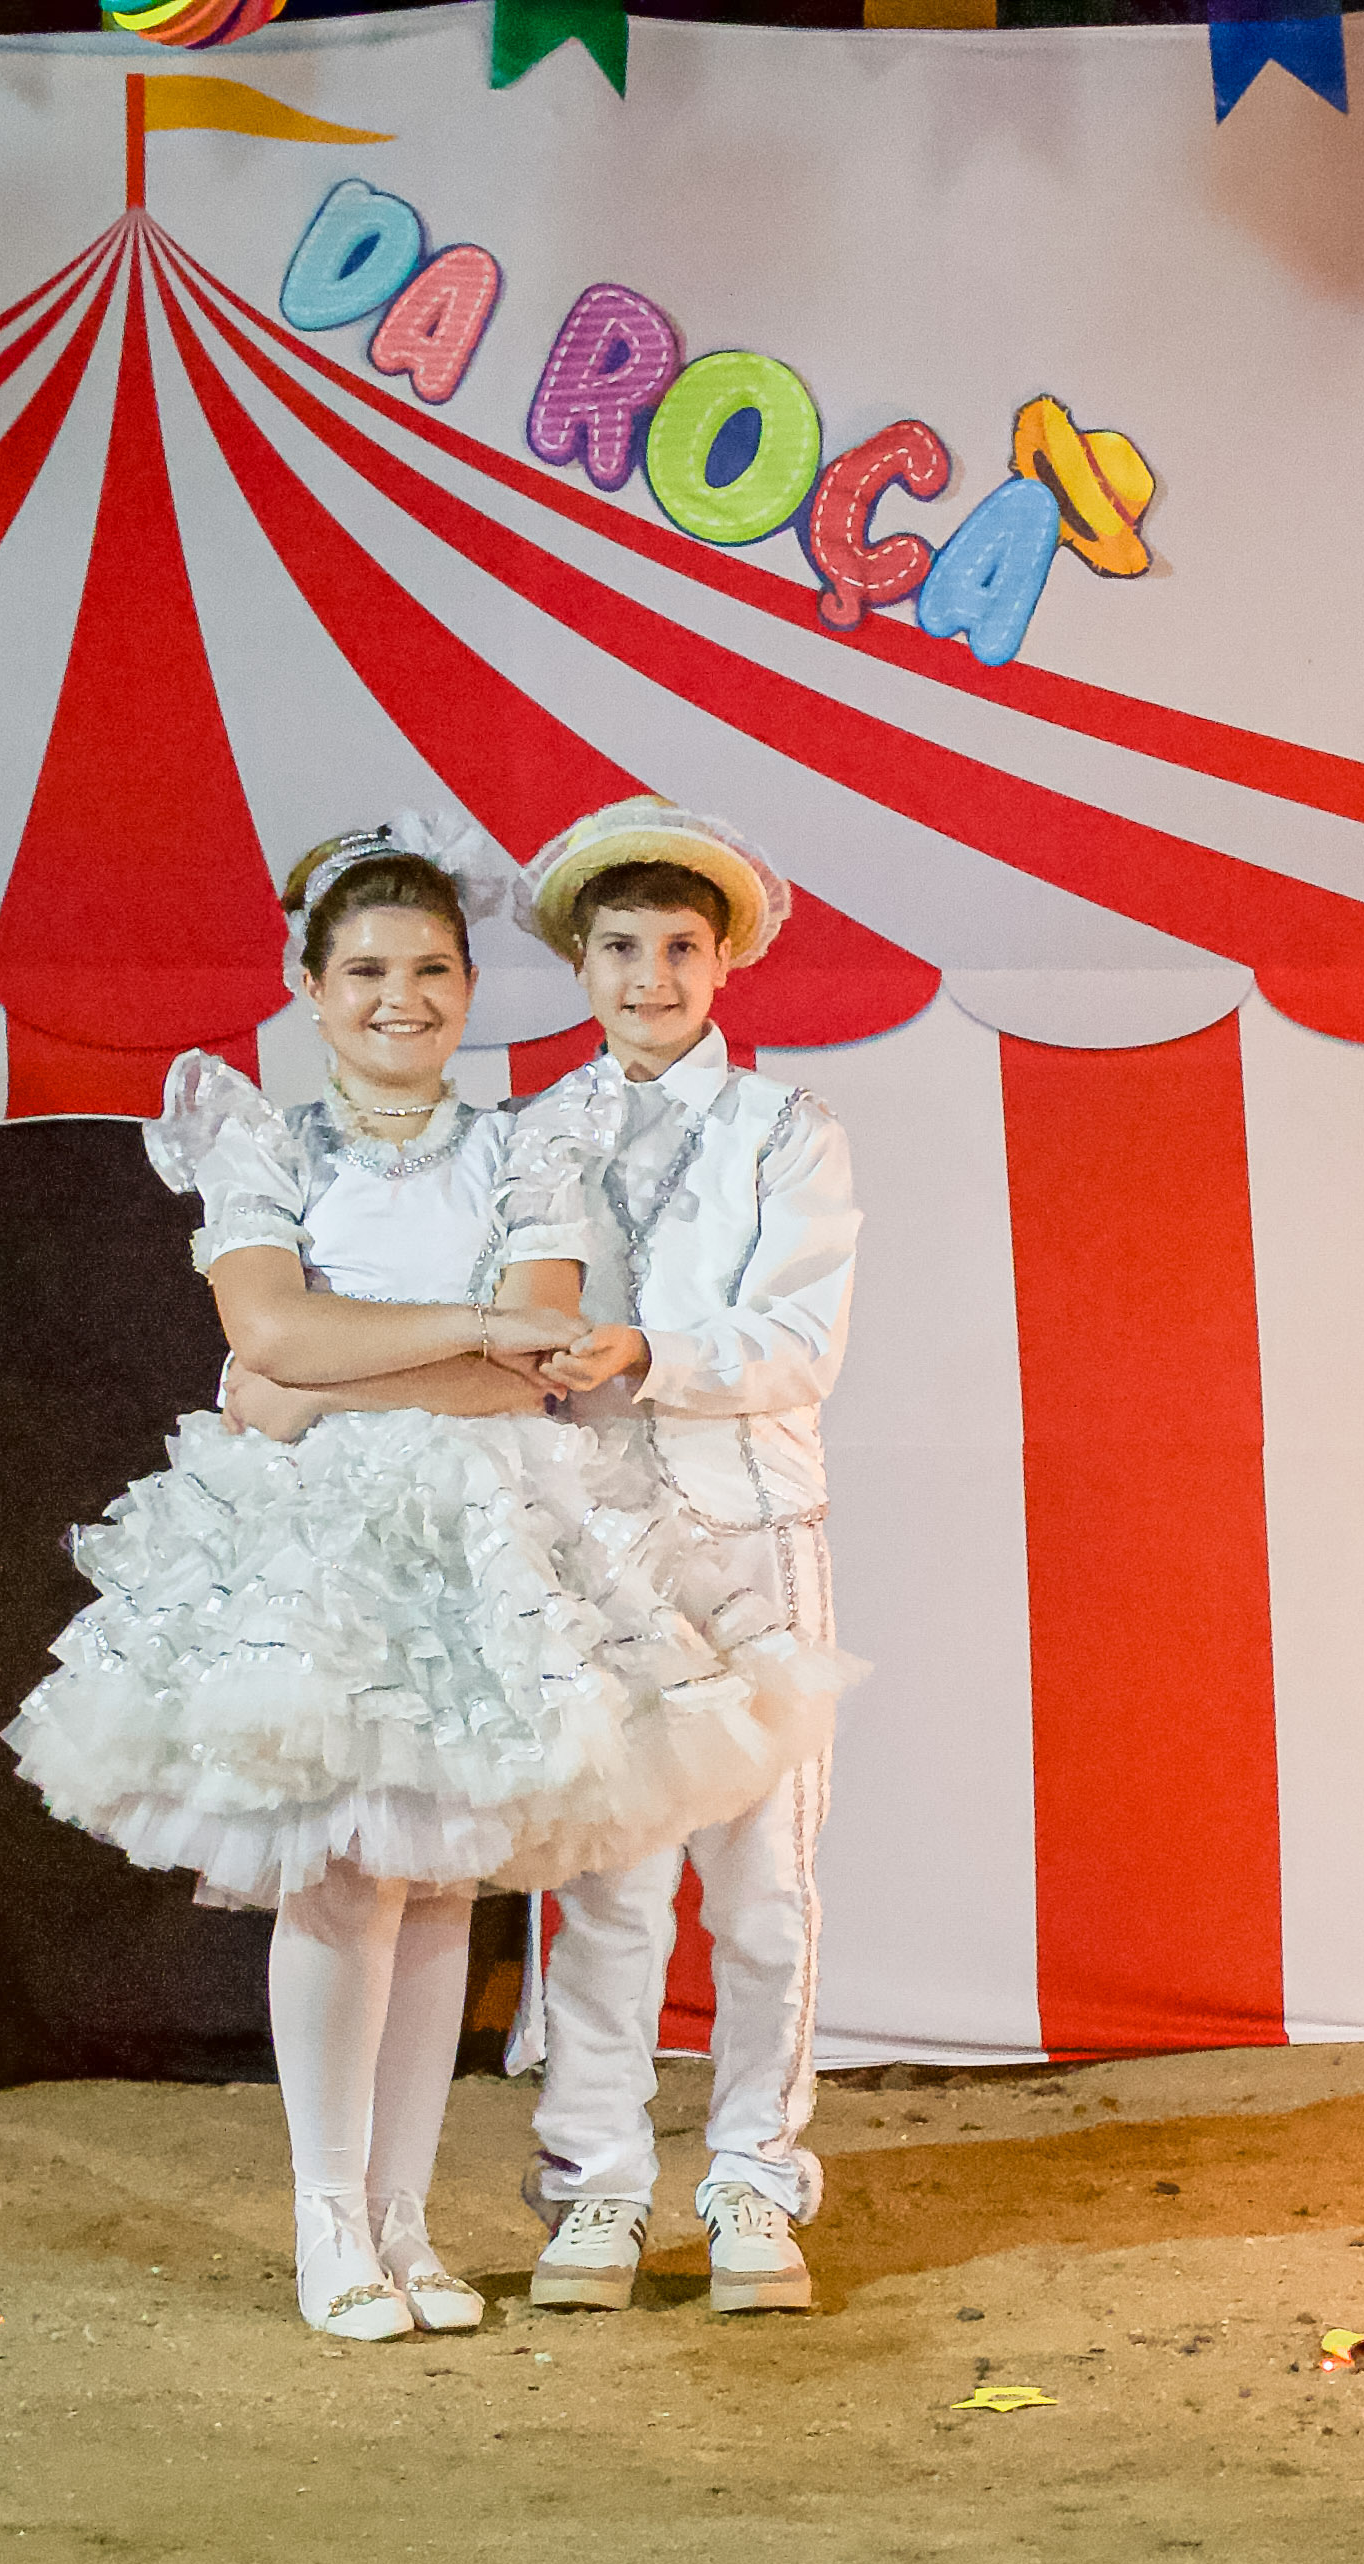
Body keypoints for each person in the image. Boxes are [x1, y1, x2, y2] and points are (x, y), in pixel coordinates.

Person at [10, 818, 843, 2344]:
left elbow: (524, 1361)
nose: (402, 999)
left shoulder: (533, 1143)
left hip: (506, 1531)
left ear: (471, 985)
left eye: (433, 972)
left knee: (456, 1879)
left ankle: (420, 2220)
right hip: (329, 1547)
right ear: (311, 987)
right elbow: (271, 1329)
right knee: (348, 1878)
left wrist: (329, 1372)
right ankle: (338, 2219)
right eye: (367, 973)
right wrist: (400, 1344)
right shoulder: (270, 1140)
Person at [506, 802, 863, 2316]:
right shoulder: (532, 1133)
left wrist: (646, 1352)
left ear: (723, 965)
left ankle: (754, 2178)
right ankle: (595, 2182)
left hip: (752, 1537)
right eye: (619, 948)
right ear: (581, 965)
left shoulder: (789, 1130)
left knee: (765, 1889)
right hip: (594, 1548)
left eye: (677, 948)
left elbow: (800, 1343)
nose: (648, 978)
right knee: (611, 1888)